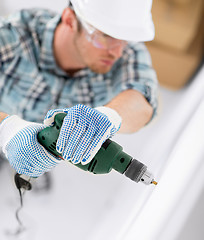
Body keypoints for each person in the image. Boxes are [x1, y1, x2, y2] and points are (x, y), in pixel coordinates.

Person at [0, 0, 158, 178]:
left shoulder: (130, 54)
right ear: (70, 19)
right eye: (105, 36)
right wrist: (7, 128)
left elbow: (142, 103)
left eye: (125, 41)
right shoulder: (12, 36)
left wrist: (110, 115)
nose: (117, 52)